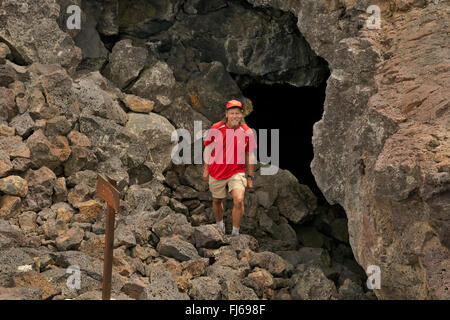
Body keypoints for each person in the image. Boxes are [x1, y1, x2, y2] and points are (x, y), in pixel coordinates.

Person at [203, 99, 257, 236]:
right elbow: (208, 149)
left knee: (238, 200)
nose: (234, 116)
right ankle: (219, 224)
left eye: (237, 113)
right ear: (226, 114)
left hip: (236, 172)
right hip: (216, 171)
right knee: (216, 200)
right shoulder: (216, 128)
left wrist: (250, 177)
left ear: (241, 115)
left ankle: (235, 233)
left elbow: (249, 154)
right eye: (232, 113)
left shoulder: (247, 132)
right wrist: (206, 170)